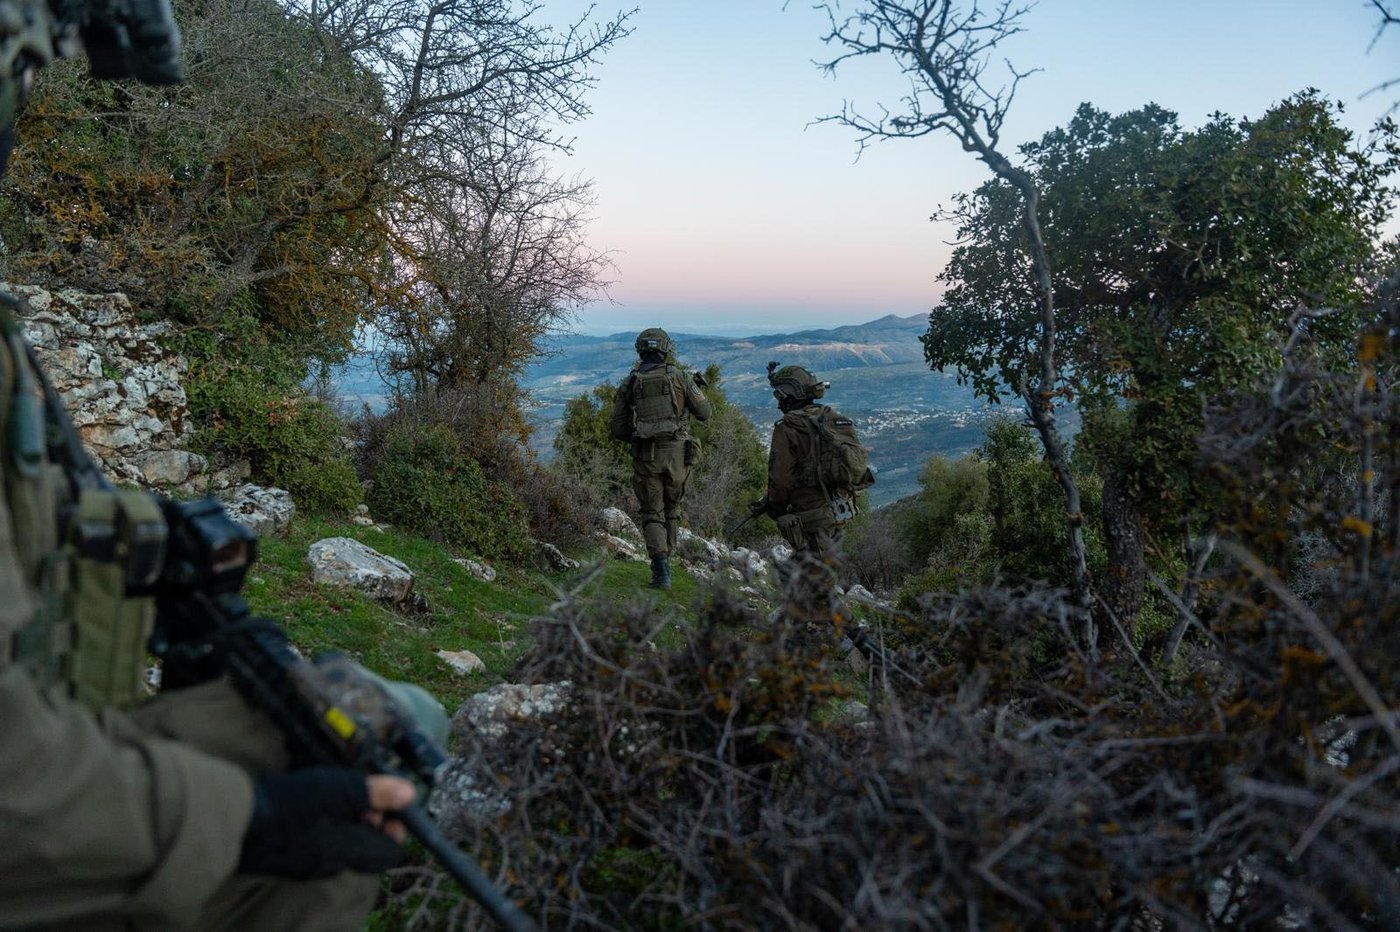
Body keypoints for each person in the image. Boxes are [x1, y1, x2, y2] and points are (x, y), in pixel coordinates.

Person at [0, 5, 433, 929]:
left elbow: (39, 501)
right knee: (343, 812)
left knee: (385, 720)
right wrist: (256, 823)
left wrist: (169, 558)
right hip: (31, 795)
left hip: (52, 725)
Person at [609, 327, 711, 590]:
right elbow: (705, 412)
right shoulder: (681, 377)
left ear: (640, 350)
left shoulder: (630, 382)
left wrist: (639, 434)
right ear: (665, 348)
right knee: (672, 509)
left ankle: (661, 572)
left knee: (652, 513)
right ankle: (669, 558)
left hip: (646, 455)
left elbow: (618, 428)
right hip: (678, 457)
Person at [762, 363, 874, 563]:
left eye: (779, 395)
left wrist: (775, 508)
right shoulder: (830, 418)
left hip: (812, 517)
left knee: (816, 579)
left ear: (790, 394)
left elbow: (780, 480)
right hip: (840, 512)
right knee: (825, 570)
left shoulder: (788, 427)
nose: (779, 402)